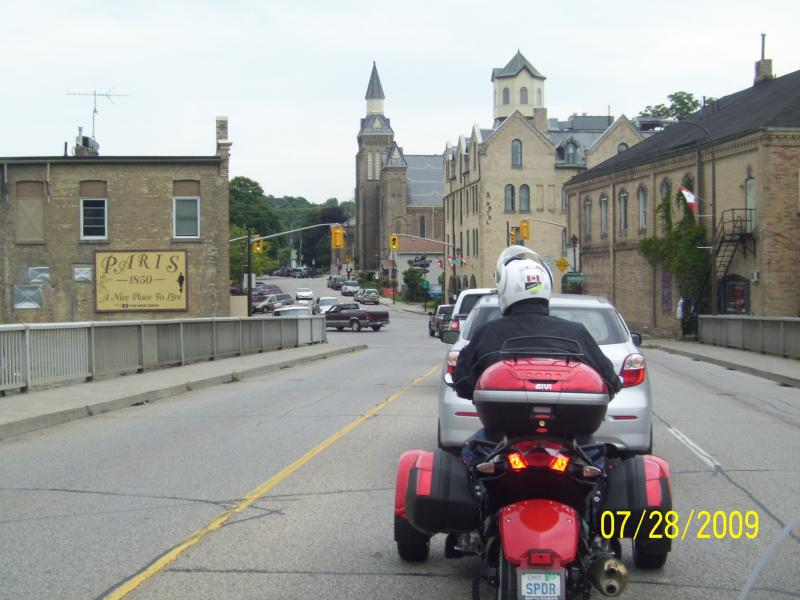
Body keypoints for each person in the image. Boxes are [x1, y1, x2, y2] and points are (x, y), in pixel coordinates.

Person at [452, 246, 622, 464]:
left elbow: (462, 381)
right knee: (600, 472)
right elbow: (611, 382)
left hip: (502, 435)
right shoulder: (576, 332)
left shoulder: (489, 332)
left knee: (467, 466)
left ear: (505, 288)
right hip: (571, 438)